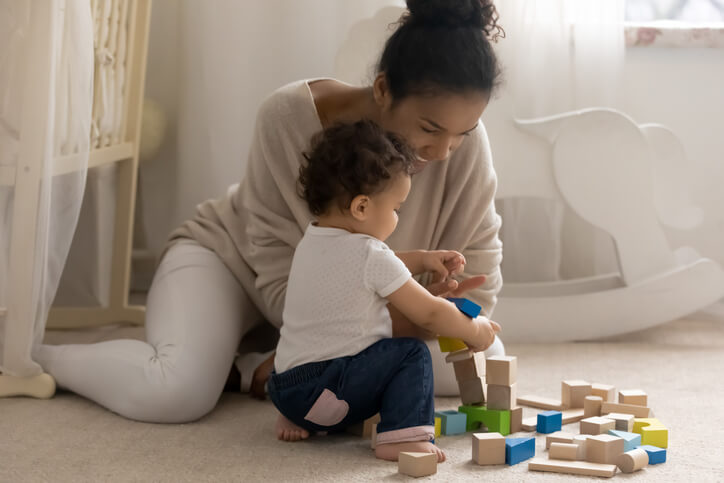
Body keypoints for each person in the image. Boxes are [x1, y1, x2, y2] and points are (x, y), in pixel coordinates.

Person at [34, 0, 505, 423]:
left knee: (475, 361)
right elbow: (287, 288)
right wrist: (423, 315)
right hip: (232, 263)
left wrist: (444, 312)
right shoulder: (289, 116)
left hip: (349, 310)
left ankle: (252, 369)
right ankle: (38, 356)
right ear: (382, 89)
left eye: (464, 132)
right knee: (175, 392)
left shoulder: (462, 148)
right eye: (430, 129)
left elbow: (480, 285)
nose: (444, 151)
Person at [269, 119, 500, 463]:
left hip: (286, 389)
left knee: (331, 360)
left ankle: (300, 415)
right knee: (411, 355)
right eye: (396, 209)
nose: (397, 218)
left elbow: (368, 267)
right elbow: (431, 313)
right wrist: (475, 330)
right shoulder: (369, 254)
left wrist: (422, 260)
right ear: (361, 207)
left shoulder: (313, 240)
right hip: (327, 390)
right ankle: (402, 436)